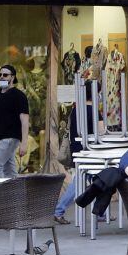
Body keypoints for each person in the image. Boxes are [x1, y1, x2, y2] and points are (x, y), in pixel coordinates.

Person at [54, 76, 106, 223]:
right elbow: (101, 132)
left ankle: (100, 212)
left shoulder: (76, 110)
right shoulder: (94, 111)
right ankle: (59, 210)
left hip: (77, 149)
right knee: (83, 182)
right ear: (97, 93)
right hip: (90, 152)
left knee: (92, 180)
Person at [0, 65, 30, 178]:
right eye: (0, 75)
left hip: (11, 138)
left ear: (12, 77)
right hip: (0, 138)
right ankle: (16, 195)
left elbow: (24, 120)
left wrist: (24, 143)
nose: (2, 77)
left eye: (5, 75)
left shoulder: (19, 96)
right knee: (9, 171)